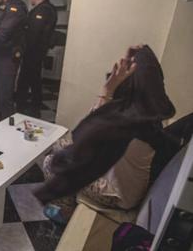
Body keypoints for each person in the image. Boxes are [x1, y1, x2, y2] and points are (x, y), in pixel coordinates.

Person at [33, 45, 176, 224]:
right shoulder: (150, 112)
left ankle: (65, 212)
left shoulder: (129, 123)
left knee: (51, 163)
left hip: (117, 195)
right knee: (62, 146)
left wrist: (107, 90)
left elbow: (83, 137)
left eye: (129, 72)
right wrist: (140, 56)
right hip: (125, 183)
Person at [16, 0, 57, 117]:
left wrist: (23, 51)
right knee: (34, 80)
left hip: (32, 52)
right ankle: (34, 106)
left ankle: (22, 107)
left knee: (25, 80)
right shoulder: (49, 8)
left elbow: (34, 34)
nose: (30, 0)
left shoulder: (43, 10)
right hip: (37, 52)